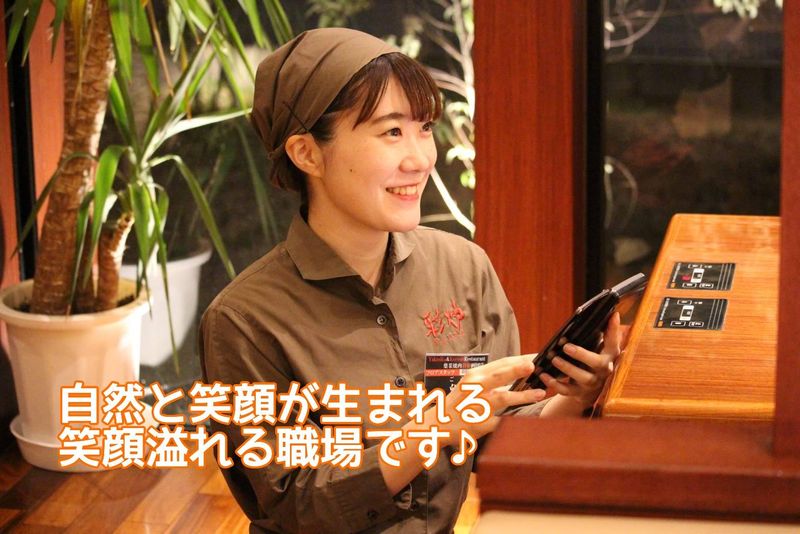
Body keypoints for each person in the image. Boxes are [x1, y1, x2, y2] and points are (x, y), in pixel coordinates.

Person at [198, 27, 621, 534]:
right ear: (306, 153)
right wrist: (432, 429)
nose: (421, 158)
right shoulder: (244, 320)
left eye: (424, 128)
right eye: (391, 132)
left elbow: (497, 434)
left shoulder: (463, 267)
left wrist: (576, 394)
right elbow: (296, 503)